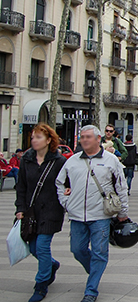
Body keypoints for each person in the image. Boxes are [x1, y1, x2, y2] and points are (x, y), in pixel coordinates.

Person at [56, 125, 129, 302]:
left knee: (99, 253)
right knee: (77, 249)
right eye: (82, 137)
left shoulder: (111, 160)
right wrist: (66, 203)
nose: (84, 140)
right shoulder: (72, 161)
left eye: (88, 137)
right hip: (77, 216)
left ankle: (91, 291)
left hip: (101, 216)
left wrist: (123, 212)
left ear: (98, 139)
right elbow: (59, 183)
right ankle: (95, 271)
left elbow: (121, 186)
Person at [15, 124, 66, 302]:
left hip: (51, 211)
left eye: (38, 137)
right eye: (33, 137)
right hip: (31, 212)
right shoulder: (26, 160)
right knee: (34, 248)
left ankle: (41, 285)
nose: (34, 141)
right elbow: (21, 187)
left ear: (49, 140)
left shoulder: (59, 162)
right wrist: (20, 208)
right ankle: (52, 265)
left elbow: (67, 184)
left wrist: (67, 191)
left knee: (42, 246)